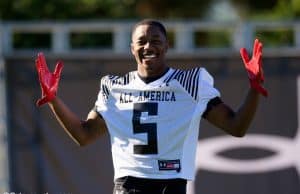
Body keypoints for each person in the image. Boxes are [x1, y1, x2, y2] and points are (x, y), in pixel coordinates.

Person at [35, 19, 268, 194]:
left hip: (172, 185)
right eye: (141, 41)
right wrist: (54, 99)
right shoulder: (114, 87)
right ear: (131, 48)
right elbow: (83, 135)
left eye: (156, 41)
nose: (148, 46)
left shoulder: (191, 84)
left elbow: (237, 127)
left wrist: (254, 89)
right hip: (129, 186)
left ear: (167, 46)